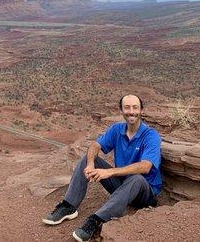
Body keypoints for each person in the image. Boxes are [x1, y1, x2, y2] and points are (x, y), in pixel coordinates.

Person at [42, 94, 162, 242]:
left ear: (141, 110)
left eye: (135, 107)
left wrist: (109, 172)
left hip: (144, 192)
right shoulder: (117, 129)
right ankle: (68, 206)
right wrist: (91, 163)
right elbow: (95, 145)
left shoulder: (150, 135)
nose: (131, 111)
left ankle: (96, 220)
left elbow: (145, 167)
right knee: (86, 158)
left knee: (136, 179)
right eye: (127, 107)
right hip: (122, 185)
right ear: (121, 110)